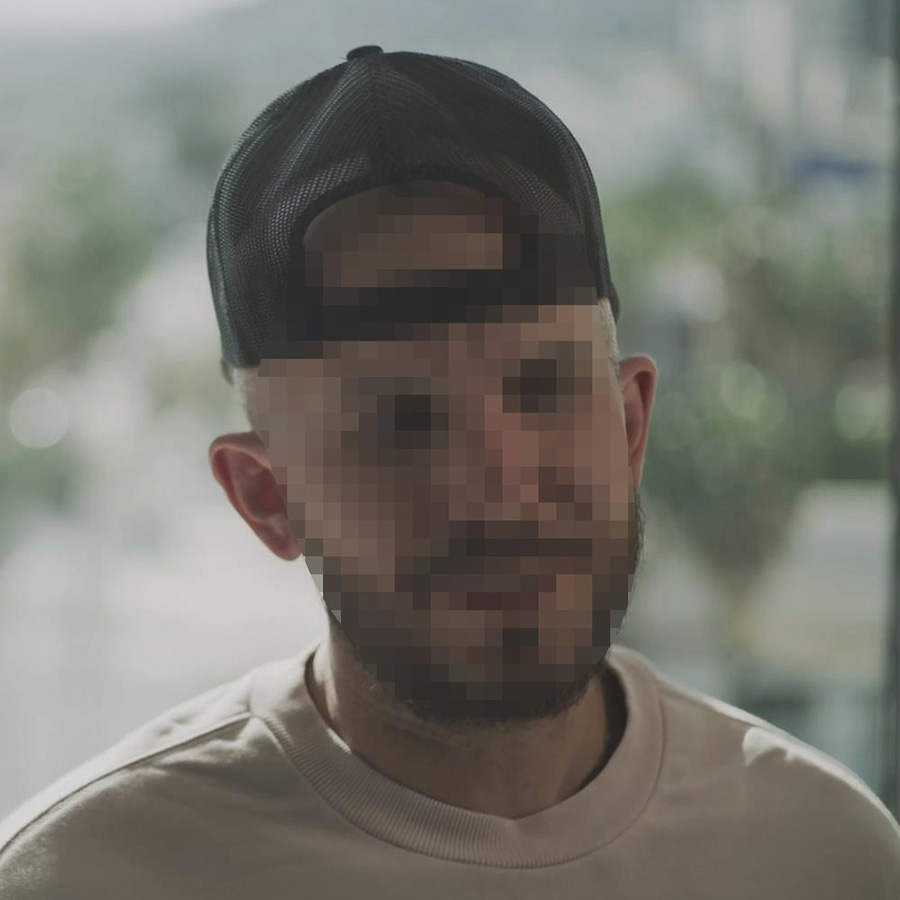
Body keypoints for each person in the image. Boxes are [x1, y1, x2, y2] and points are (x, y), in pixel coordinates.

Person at [1, 45, 899, 899]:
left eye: (544, 390)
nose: (497, 485)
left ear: (628, 426)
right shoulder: (81, 875)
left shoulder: (824, 850)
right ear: (268, 499)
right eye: (399, 422)